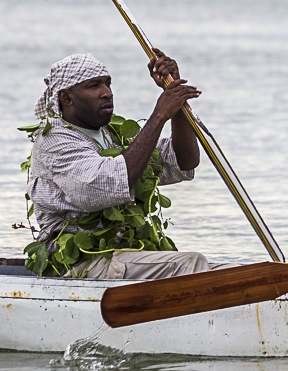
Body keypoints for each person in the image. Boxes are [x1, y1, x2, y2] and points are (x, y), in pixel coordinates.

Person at [24, 50, 212, 279]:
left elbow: (184, 161)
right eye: (94, 86)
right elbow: (107, 185)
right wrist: (160, 115)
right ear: (67, 97)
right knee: (191, 263)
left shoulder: (111, 135)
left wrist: (175, 97)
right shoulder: (54, 140)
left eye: (108, 83)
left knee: (228, 274)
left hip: (119, 256)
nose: (107, 93)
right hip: (81, 263)